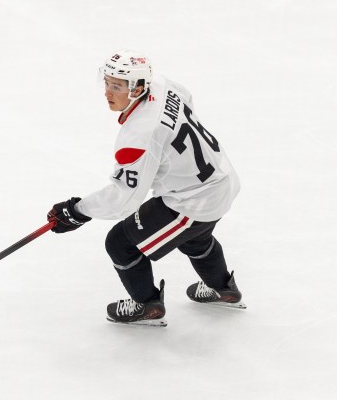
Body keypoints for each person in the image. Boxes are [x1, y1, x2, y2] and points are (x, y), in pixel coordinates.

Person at [47, 49, 245, 326]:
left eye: (117, 86)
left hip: (194, 199)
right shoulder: (162, 84)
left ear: (139, 87)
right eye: (106, 82)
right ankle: (223, 290)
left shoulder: (139, 136)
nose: (107, 92)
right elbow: (186, 97)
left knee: (120, 243)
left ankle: (146, 306)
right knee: (195, 238)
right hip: (222, 179)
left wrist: (77, 211)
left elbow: (123, 199)